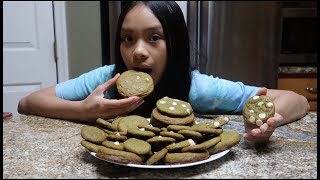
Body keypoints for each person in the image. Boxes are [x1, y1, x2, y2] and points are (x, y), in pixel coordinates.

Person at [18, 1, 309, 143]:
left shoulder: (197, 88)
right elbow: (28, 103)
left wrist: (267, 122)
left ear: (175, 45)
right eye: (127, 38)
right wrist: (83, 110)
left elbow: (295, 99)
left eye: (154, 38)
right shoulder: (106, 81)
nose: (138, 51)